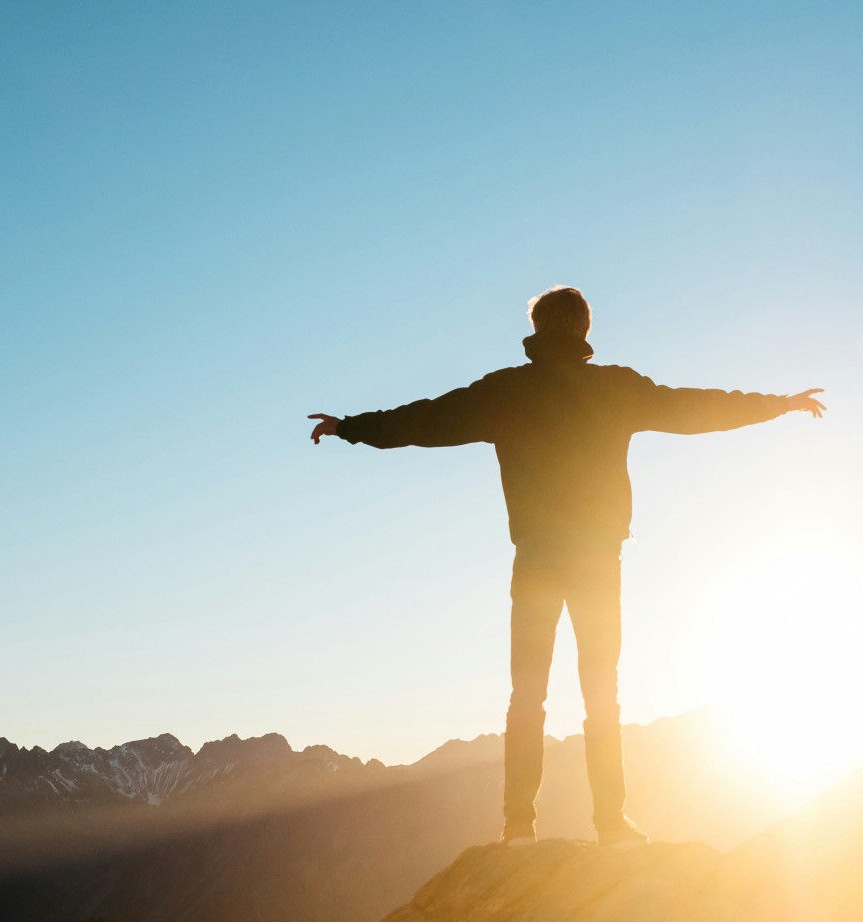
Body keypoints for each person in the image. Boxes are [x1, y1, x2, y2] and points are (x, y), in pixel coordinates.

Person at [310, 286, 824, 848]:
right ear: (583, 329)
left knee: (527, 693)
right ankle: (611, 825)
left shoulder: (506, 391)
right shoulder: (615, 389)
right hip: (599, 557)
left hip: (536, 557)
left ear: (537, 327)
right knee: (602, 690)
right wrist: (779, 403)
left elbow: (425, 420)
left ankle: (517, 826)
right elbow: (698, 407)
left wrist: (350, 426)